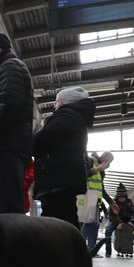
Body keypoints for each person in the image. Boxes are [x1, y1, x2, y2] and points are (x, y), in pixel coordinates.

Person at [0, 33, 34, 214]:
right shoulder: (8, 67)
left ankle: (15, 239)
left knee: (10, 200)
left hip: (8, 142)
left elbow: (10, 104)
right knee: (10, 197)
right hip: (11, 141)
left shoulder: (9, 66)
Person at [32, 86, 95, 226]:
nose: (55, 105)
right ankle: (73, 247)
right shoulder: (75, 117)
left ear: (65, 101)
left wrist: (31, 140)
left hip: (58, 179)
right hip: (64, 179)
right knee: (66, 217)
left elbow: (44, 139)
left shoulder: (67, 115)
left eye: (57, 101)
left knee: (56, 221)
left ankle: (65, 248)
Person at [100, 183, 134, 258]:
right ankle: (108, 250)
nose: (121, 199)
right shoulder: (114, 203)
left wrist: (131, 221)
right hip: (116, 222)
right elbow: (111, 216)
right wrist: (118, 224)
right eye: (120, 197)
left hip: (128, 221)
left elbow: (133, 213)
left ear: (125, 196)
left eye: (123, 197)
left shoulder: (129, 202)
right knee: (108, 231)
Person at [80, 151, 113, 249]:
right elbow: (83, 175)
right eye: (109, 162)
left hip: (95, 198)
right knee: (91, 222)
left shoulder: (101, 171)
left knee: (95, 224)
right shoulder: (91, 161)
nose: (109, 165)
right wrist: (97, 169)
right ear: (104, 159)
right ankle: (79, 245)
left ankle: (91, 248)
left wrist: (111, 202)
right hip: (87, 195)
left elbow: (101, 188)